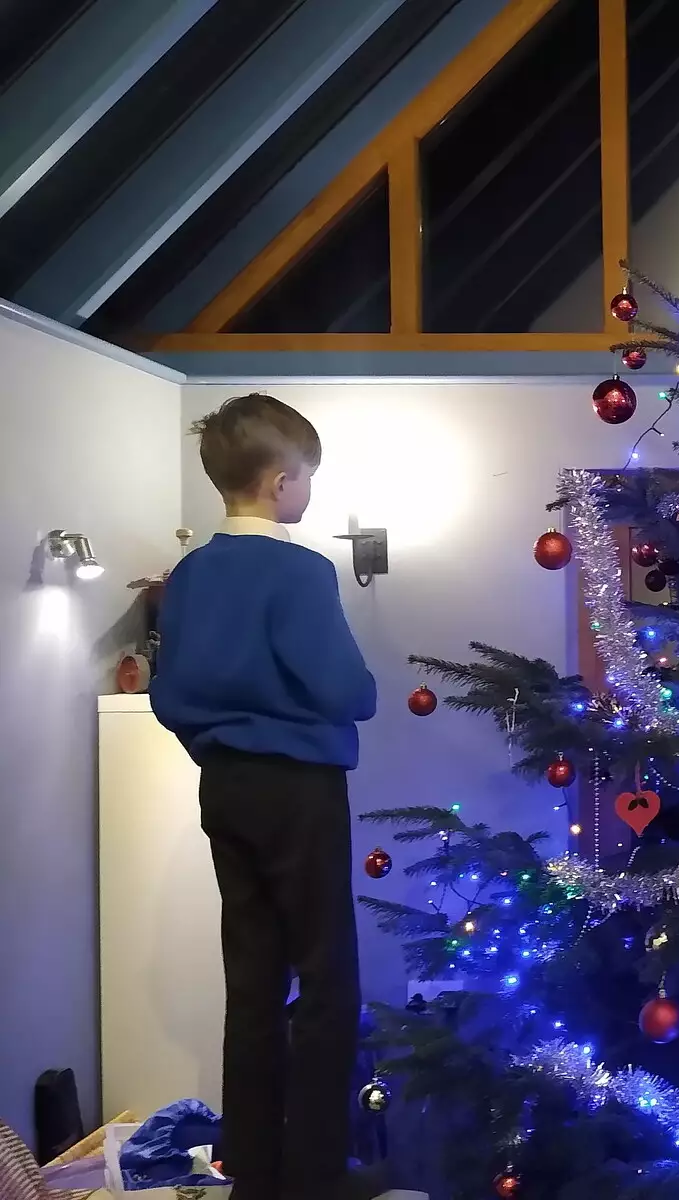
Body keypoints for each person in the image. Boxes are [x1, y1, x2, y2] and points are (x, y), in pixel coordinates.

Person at [152, 393, 378, 1200]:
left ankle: (253, 1170)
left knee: (251, 977)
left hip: (225, 787)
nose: (309, 489)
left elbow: (170, 695)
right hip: (299, 790)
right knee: (327, 978)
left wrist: (222, 746)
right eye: (308, 476)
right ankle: (316, 1173)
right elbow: (343, 688)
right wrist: (365, 690)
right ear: (283, 483)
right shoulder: (299, 569)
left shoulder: (192, 573)